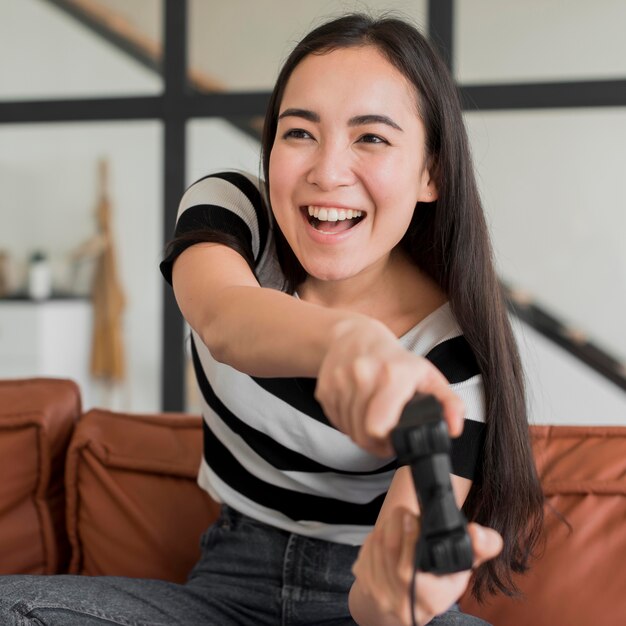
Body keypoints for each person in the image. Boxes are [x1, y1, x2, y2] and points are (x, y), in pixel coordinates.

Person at [0, 13, 543, 626]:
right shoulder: (235, 214)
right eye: (299, 133)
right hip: (224, 587)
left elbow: (390, 575)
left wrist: (393, 596)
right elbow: (226, 318)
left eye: (371, 138)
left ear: (431, 173)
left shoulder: (453, 359)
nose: (327, 171)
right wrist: (345, 344)